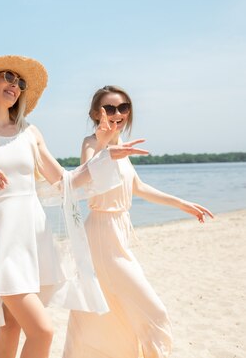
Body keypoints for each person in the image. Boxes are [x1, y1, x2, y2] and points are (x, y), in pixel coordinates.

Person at [0, 55, 149, 358]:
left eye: (20, 83)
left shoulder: (30, 132)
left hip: (32, 239)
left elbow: (64, 183)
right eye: (8, 77)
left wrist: (104, 156)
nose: (15, 86)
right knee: (43, 331)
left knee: (10, 328)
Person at [63, 85, 214, 358]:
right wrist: (100, 145)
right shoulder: (91, 142)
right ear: (96, 113)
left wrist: (183, 204)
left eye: (123, 107)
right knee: (151, 309)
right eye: (109, 108)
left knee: (115, 308)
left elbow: (140, 188)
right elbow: (85, 179)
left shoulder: (121, 145)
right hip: (101, 233)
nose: (117, 113)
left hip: (119, 231)